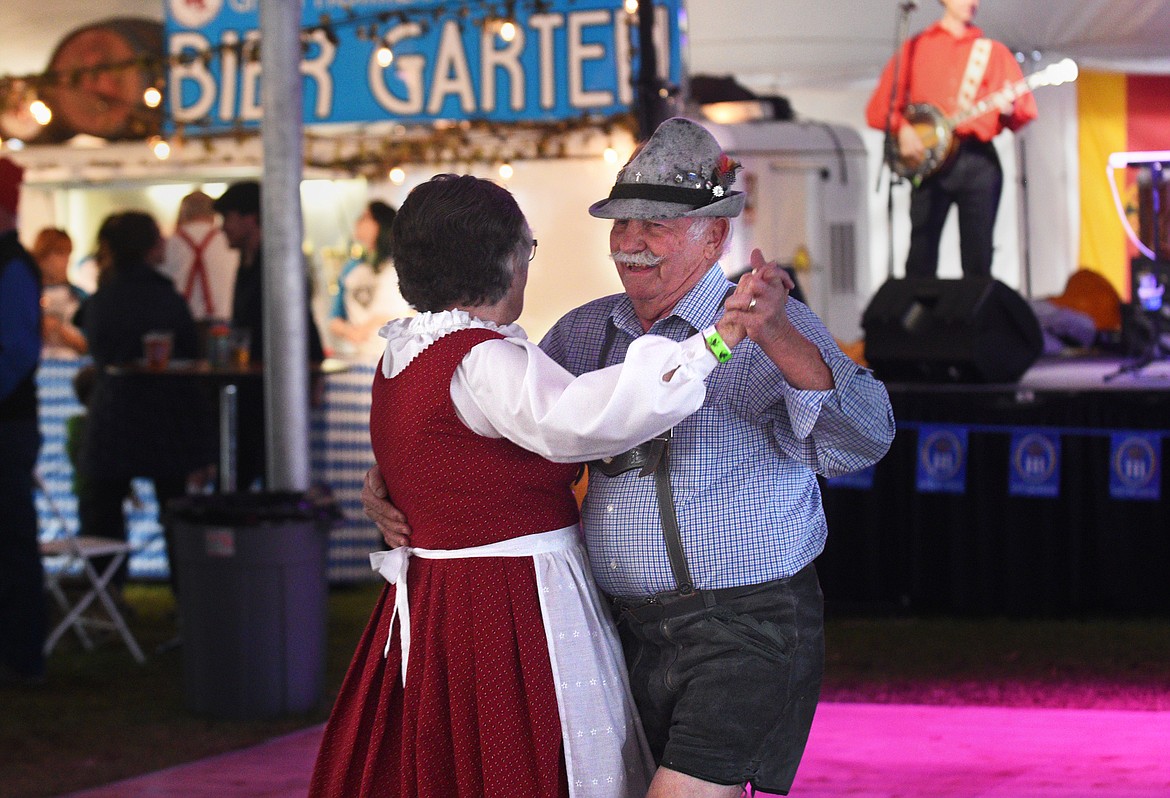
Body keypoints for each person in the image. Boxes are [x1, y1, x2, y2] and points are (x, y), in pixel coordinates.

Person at [361, 118, 897, 796]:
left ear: (716, 233)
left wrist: (778, 339)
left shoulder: (769, 323)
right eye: (622, 224)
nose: (632, 243)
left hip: (746, 628)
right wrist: (394, 481)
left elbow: (865, 441)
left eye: (657, 225)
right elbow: (491, 437)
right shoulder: (583, 331)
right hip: (620, 633)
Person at [310, 173, 760, 797]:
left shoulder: (404, 354)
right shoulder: (480, 359)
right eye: (527, 248)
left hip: (440, 595)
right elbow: (583, 418)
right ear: (501, 260)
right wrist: (712, 343)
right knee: (531, 758)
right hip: (509, 597)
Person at [74, 211, 210, 595]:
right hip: (166, 416)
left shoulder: (103, 298)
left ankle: (104, 593)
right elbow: (188, 350)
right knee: (176, 512)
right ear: (152, 247)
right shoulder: (166, 297)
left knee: (101, 508)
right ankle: (189, 599)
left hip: (114, 413)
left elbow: (98, 350)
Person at [865, 0, 1038, 278]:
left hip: (978, 159)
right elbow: (877, 110)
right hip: (931, 162)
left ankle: (975, 321)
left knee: (978, 260)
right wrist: (903, 127)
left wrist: (1010, 108)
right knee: (920, 257)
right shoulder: (916, 47)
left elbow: (1025, 112)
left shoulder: (992, 53)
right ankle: (917, 319)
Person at [213, 180, 325, 490]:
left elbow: (301, 318)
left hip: (276, 386)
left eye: (228, 218)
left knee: (271, 469)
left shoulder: (277, 262)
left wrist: (313, 372)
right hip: (255, 384)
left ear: (250, 219)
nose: (223, 228)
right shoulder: (248, 263)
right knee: (249, 467)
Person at [0, 157, 48, 688]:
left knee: (13, 537)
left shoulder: (11, 265)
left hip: (7, 425)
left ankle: (24, 653)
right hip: (11, 420)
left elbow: (15, 352)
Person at [328, 200, 412, 363]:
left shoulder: (401, 264)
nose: (358, 222)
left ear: (381, 223)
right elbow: (335, 317)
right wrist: (349, 331)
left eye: (366, 217)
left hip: (396, 356)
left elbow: (413, 313)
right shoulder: (351, 268)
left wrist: (372, 323)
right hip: (359, 355)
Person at [160, 189, 239, 329]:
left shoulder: (169, 244)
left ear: (183, 212)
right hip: (223, 322)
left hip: (182, 323)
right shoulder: (229, 241)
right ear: (214, 214)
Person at [31, 227, 88, 358]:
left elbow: (92, 344)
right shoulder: (24, 296)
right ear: (42, 256)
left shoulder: (80, 297)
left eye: (68, 254)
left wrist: (60, 332)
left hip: (72, 368)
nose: (66, 260)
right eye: (59, 253)